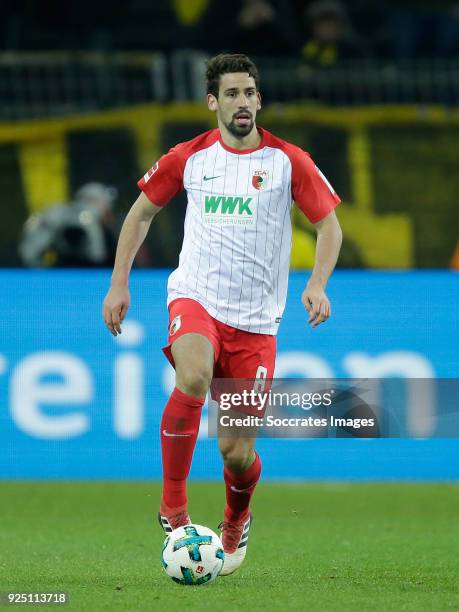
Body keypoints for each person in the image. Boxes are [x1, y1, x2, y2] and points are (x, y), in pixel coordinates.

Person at [102, 53, 342, 576]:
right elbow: (140, 213)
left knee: (236, 453)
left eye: (250, 94)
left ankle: (236, 518)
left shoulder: (287, 161)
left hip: (256, 322)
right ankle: (174, 509)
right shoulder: (189, 158)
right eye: (232, 94)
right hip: (196, 298)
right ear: (213, 102)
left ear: (259, 100)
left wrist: (317, 284)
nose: (242, 103)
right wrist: (119, 282)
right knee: (192, 374)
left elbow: (330, 227)